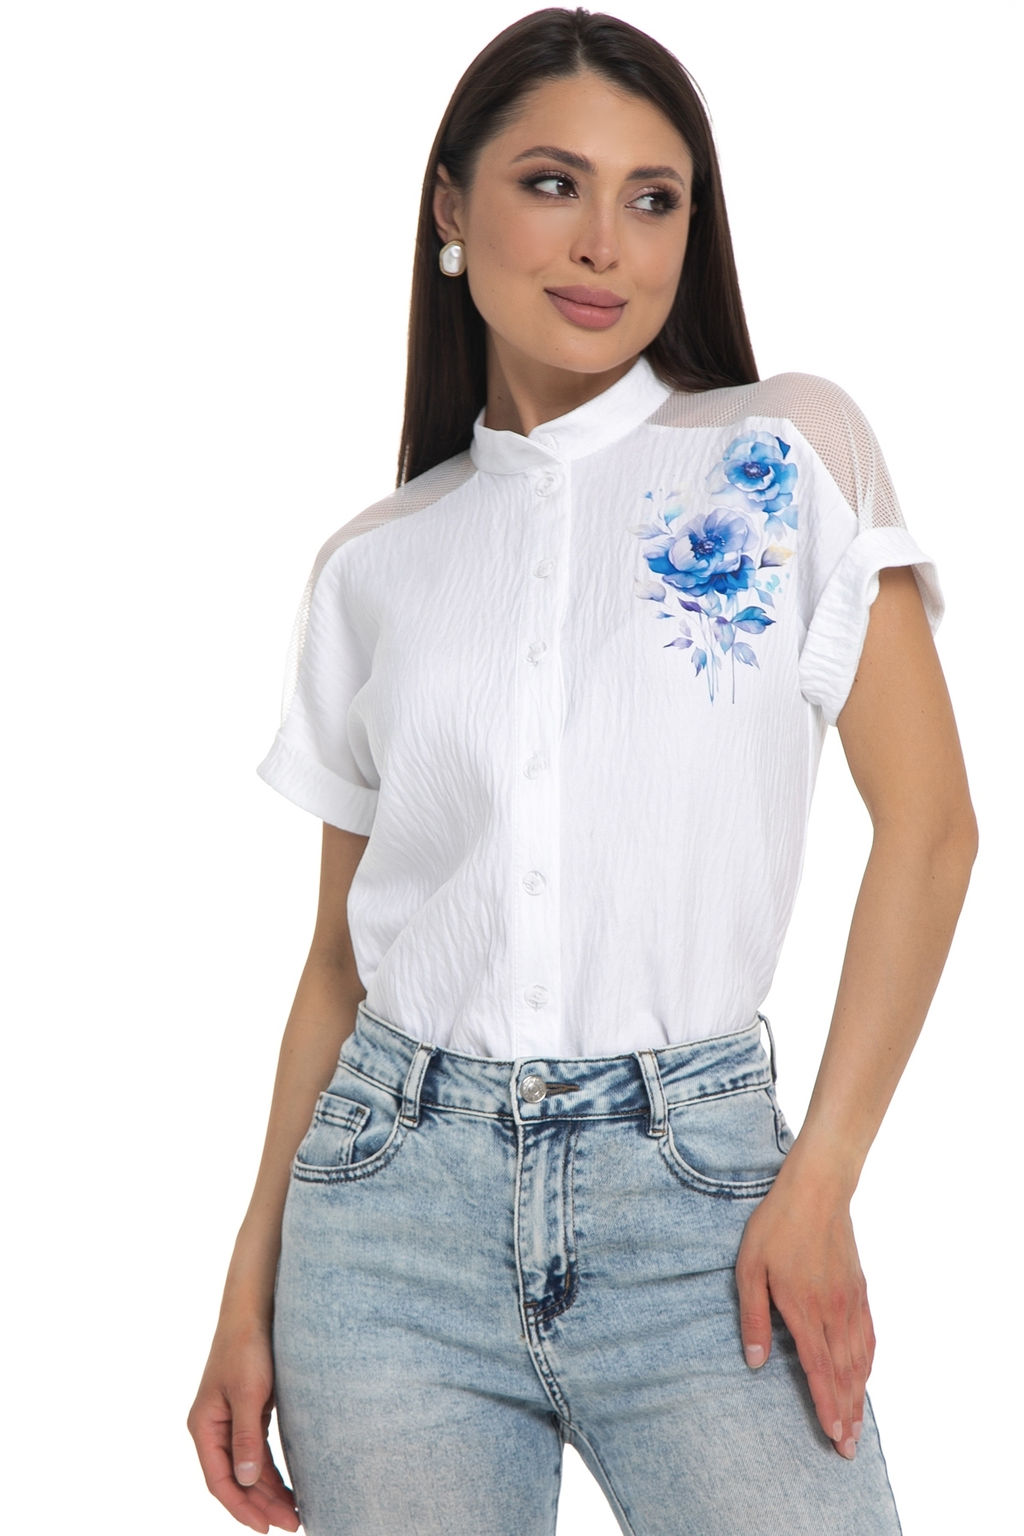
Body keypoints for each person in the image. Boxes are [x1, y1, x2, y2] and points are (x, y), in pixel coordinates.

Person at [187, 8, 977, 1533]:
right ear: (451, 206)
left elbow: (932, 833)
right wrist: (246, 1290)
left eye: (653, 196)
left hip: (704, 1206)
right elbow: (340, 965)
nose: (606, 242)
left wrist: (820, 1182)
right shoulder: (375, 562)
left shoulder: (786, 449)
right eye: (552, 183)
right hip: (387, 1225)